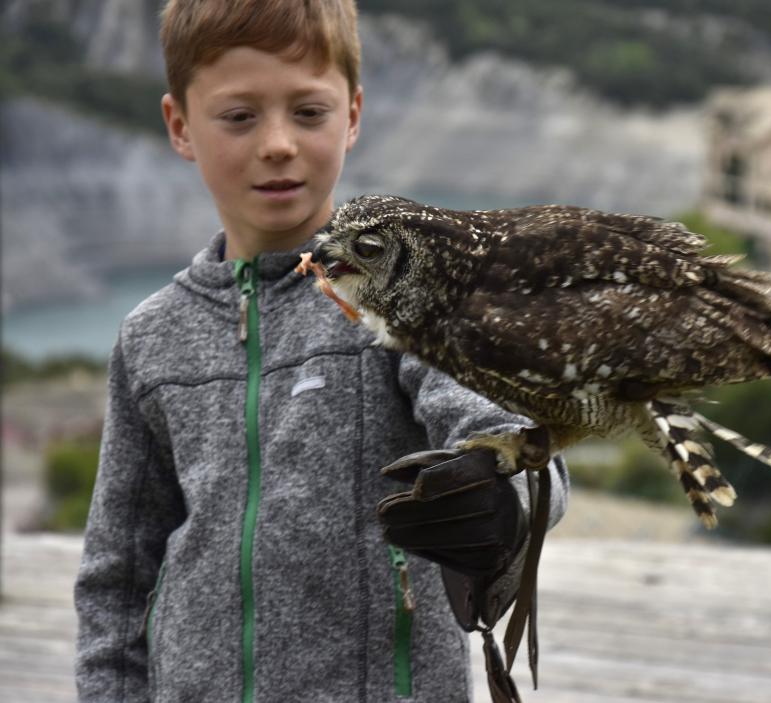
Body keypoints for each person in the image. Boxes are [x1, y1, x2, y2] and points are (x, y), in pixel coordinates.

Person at [73, 1, 568, 701]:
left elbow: (523, 444)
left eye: (308, 112)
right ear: (180, 126)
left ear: (354, 115)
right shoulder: (150, 338)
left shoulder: (406, 292)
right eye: (239, 116)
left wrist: (499, 490)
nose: (278, 142)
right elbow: (115, 579)